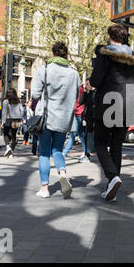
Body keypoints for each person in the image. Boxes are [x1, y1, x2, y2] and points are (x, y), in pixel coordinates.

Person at [90, 24, 134, 202]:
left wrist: (92, 78)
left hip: (107, 104)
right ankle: (112, 189)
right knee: (117, 146)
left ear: (110, 36)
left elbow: (96, 81)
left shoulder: (105, 55)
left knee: (100, 144)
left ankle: (113, 177)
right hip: (125, 105)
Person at [31, 41, 80, 199]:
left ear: (53, 54)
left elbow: (35, 94)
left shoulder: (44, 70)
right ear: (66, 55)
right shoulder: (74, 74)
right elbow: (77, 95)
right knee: (57, 150)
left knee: (44, 153)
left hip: (46, 118)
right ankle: (63, 173)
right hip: (64, 118)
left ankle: (45, 188)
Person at [62, 83, 88, 162]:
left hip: (77, 114)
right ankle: (86, 152)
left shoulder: (77, 90)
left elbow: (75, 102)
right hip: (79, 114)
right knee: (81, 135)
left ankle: (65, 152)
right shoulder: (81, 90)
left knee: (73, 134)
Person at [1, 88, 23, 158]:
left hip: (8, 119)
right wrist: (20, 117)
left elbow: (4, 112)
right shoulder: (18, 101)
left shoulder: (5, 101)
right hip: (16, 120)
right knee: (14, 136)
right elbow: (22, 111)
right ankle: (11, 153)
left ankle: (8, 147)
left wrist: (2, 122)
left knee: (6, 134)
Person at [80, 79, 95, 160]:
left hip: (93, 119)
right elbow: (80, 102)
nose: (86, 86)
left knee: (90, 136)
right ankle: (87, 153)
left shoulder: (95, 93)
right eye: (86, 84)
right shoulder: (87, 94)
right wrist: (84, 92)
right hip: (87, 118)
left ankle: (88, 153)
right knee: (86, 136)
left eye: (88, 84)